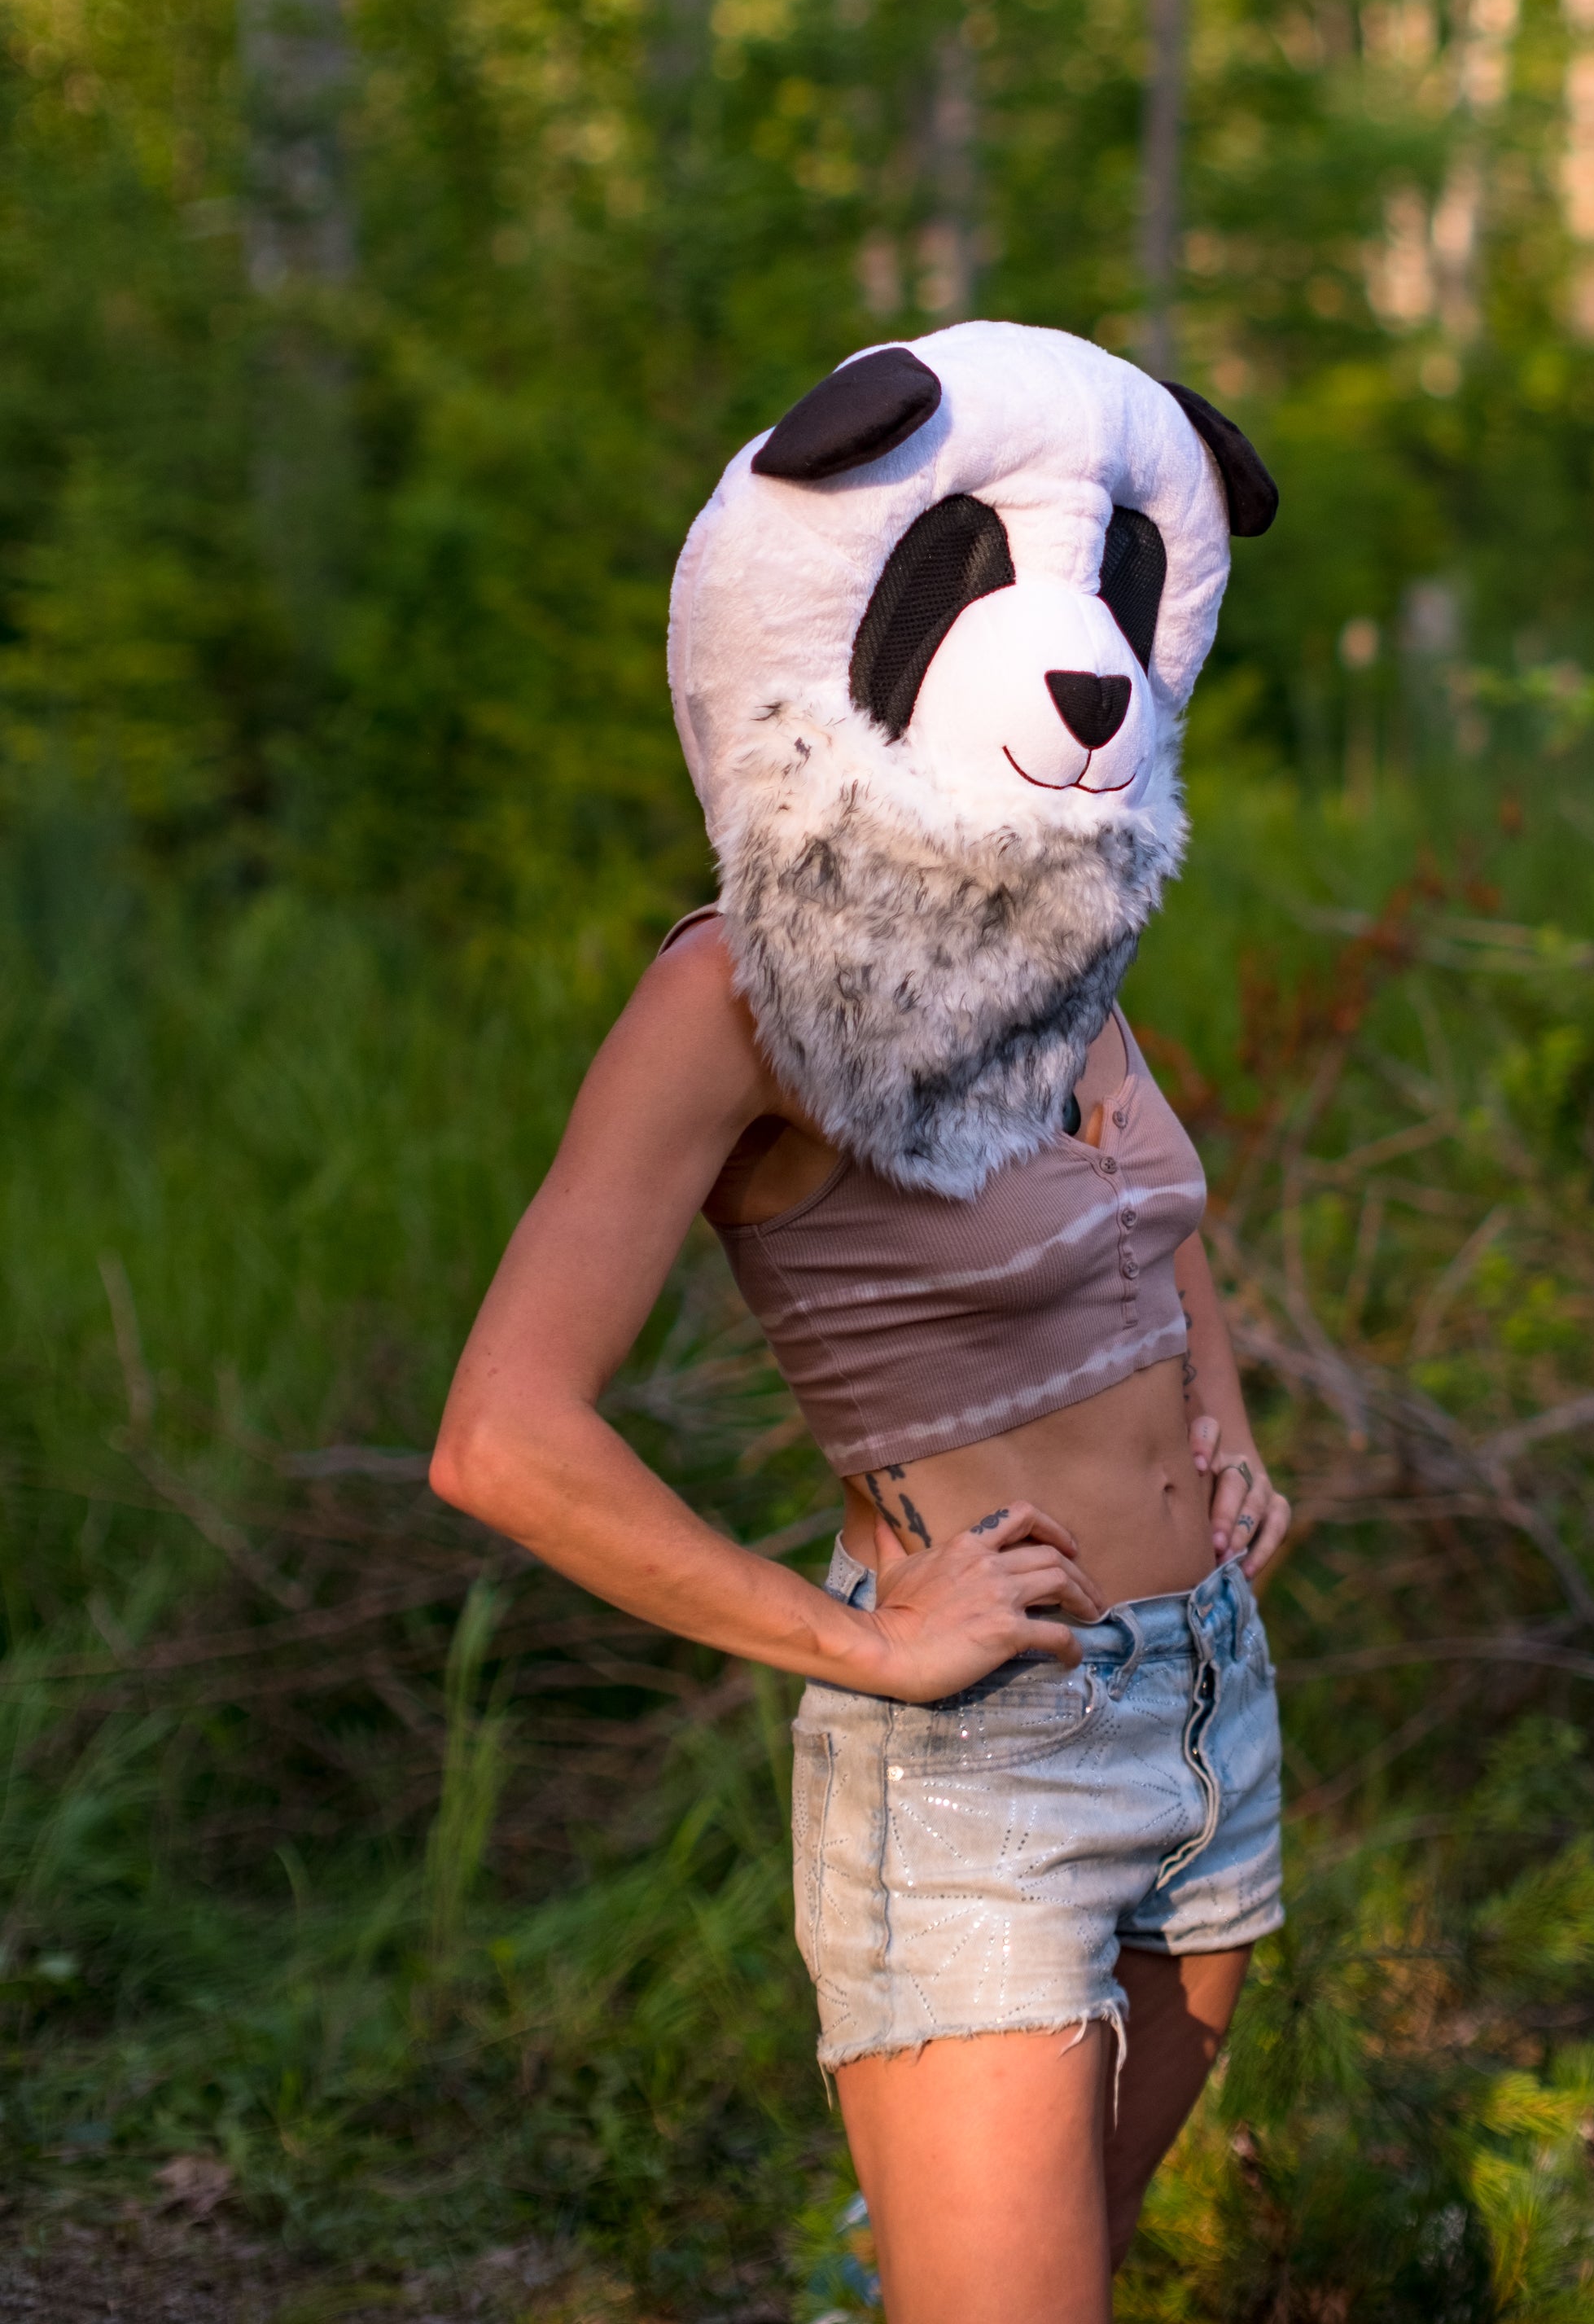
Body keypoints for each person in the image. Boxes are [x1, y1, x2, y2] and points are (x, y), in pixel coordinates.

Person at [431, 324, 1292, 2324]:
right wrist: (862, 1647)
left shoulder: (1060, 919)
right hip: (988, 1749)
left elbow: (1146, 1223)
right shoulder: (737, 996)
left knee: (1031, 2267)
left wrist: (1224, 1431)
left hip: (1207, 1700)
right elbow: (503, 1436)